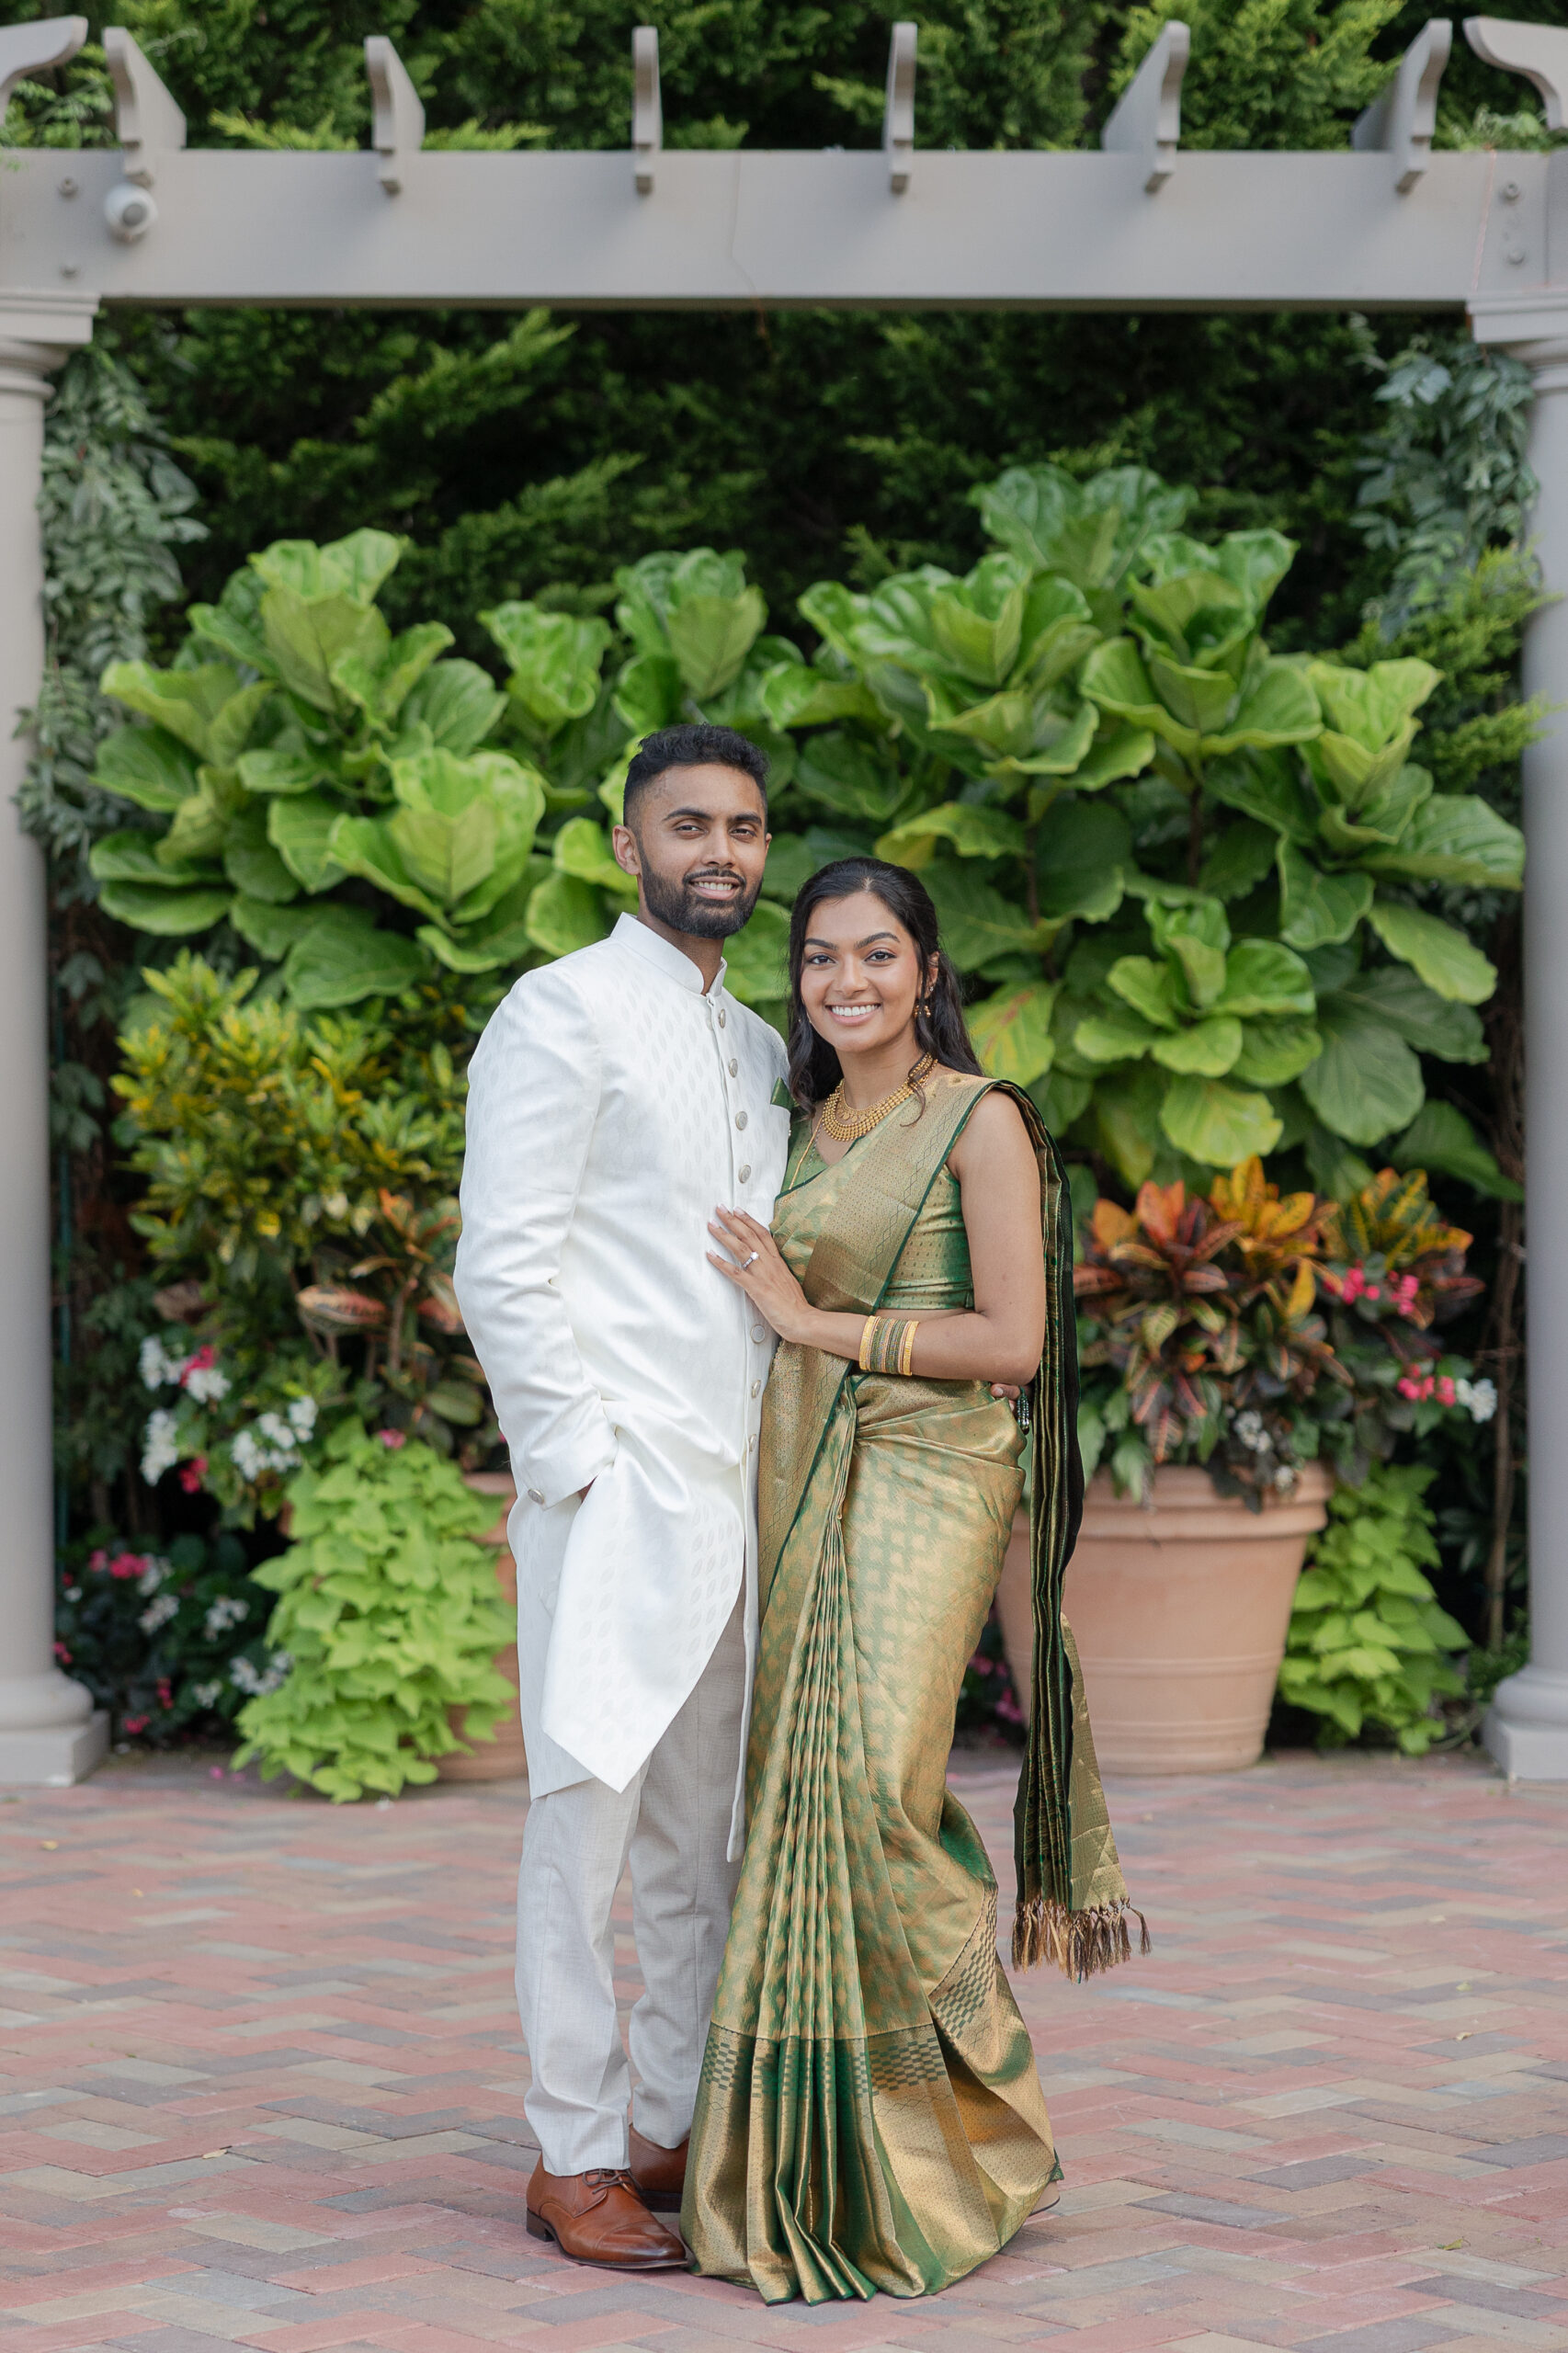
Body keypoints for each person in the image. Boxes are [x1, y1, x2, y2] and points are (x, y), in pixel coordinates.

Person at [684, 856, 1144, 2304]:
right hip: (808, 1470)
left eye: (876, 955)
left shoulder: (977, 1119)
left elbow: (1009, 1341)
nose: (848, 983)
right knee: (800, 1790)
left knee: (874, 1789)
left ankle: (975, 2115)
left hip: (939, 1469)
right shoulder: (795, 1125)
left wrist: (814, 1322)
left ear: (925, 970)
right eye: (821, 960)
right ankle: (828, 2151)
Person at [452, 721, 793, 2272]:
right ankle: (570, 2153)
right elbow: (501, 1262)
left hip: (730, 1498)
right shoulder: (560, 1010)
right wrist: (575, 1471)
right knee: (579, 1826)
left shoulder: (757, 1045)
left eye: (739, 827)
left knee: (692, 1839)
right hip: (614, 1493)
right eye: (686, 826)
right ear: (627, 849)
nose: (716, 850)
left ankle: (665, 2129)